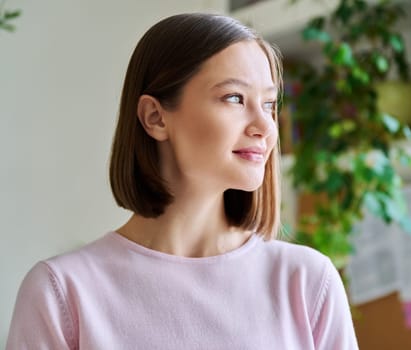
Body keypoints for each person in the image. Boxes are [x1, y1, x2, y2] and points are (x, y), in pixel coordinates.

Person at [6, 13, 359, 349]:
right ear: (155, 117)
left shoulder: (308, 282)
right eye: (234, 98)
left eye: (268, 104)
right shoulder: (62, 293)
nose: (265, 127)